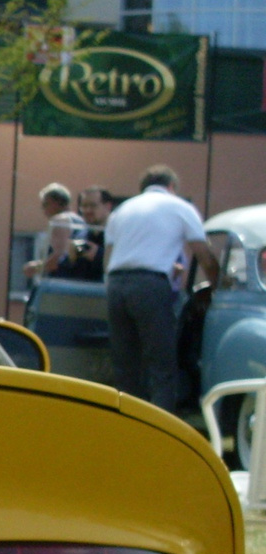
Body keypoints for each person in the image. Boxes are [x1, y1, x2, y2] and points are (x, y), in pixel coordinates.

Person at [103, 165, 218, 414]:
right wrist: (217, 285)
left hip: (116, 284)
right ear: (172, 187)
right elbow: (203, 254)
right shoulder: (180, 208)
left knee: (125, 363)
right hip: (150, 284)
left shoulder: (123, 210)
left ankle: (127, 421)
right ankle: (163, 421)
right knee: (161, 361)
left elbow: (108, 257)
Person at [23, 183, 86, 280]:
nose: (43, 209)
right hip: (80, 278)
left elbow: (60, 256)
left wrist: (35, 267)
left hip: (62, 281)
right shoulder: (80, 221)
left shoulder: (59, 220)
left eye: (45, 204)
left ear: (55, 203)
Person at [52, 185, 111, 282]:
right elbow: (63, 273)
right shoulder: (79, 235)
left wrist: (97, 255)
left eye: (93, 206)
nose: (87, 210)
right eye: (84, 206)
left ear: (107, 206)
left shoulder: (117, 234)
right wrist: (70, 259)